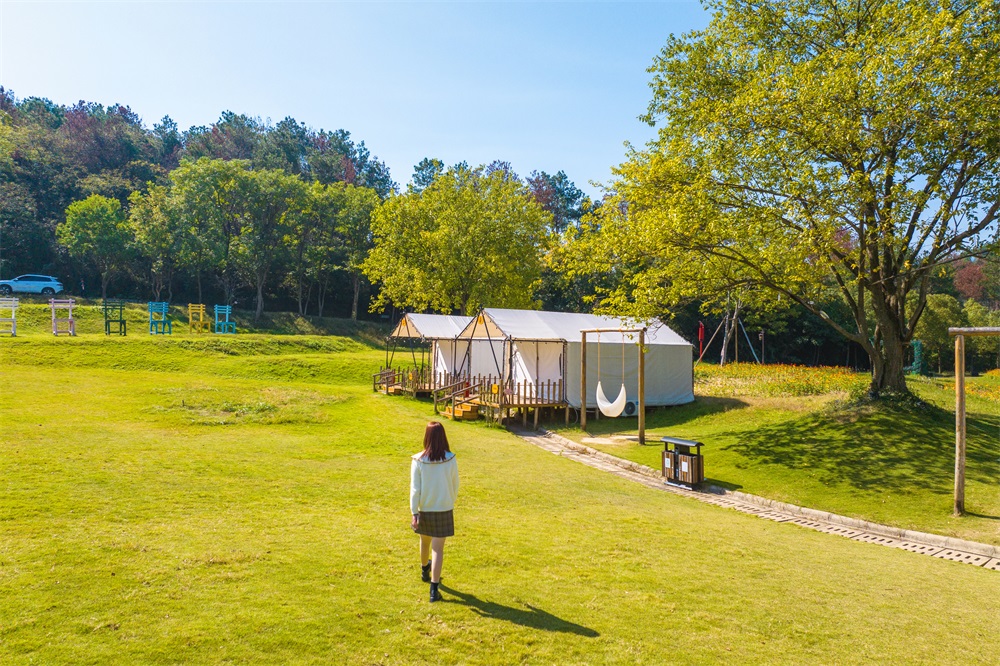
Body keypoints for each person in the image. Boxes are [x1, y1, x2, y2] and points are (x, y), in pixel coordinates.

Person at [410, 421, 459, 602]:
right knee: (438, 549)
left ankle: (424, 570)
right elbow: (455, 485)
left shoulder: (418, 460)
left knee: (425, 543)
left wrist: (414, 512)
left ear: (427, 437)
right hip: (444, 507)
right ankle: (434, 589)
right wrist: (449, 501)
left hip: (425, 508)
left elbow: (415, 490)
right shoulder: (450, 458)